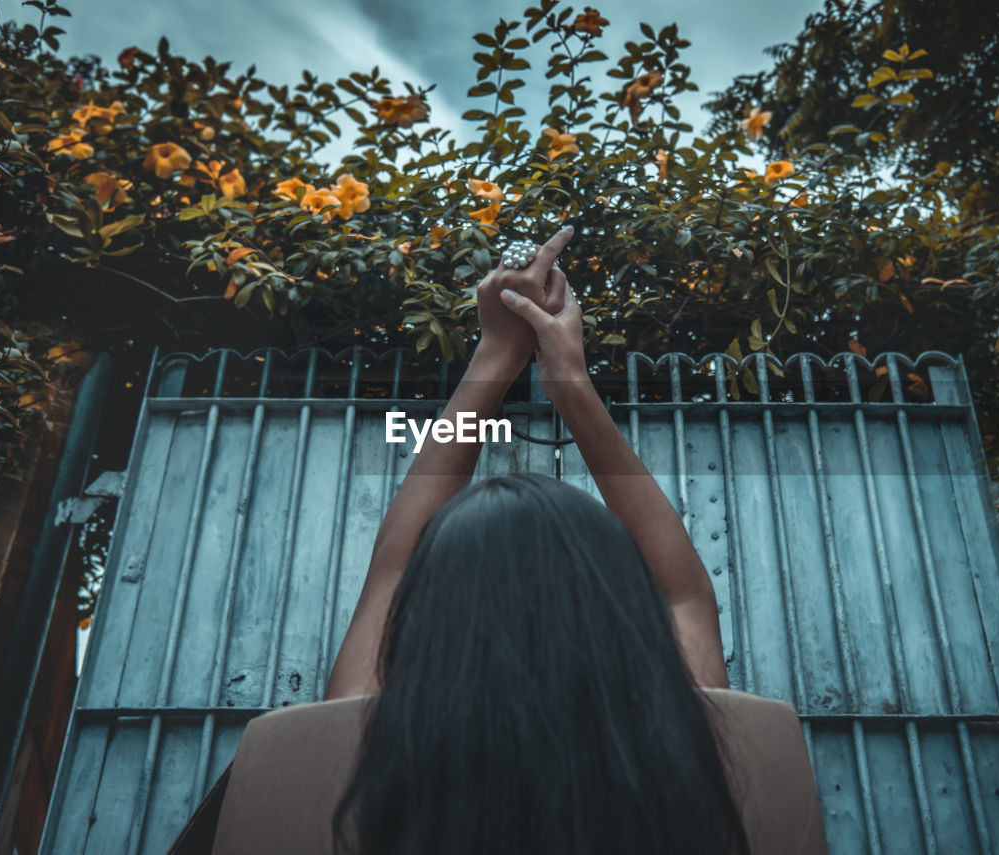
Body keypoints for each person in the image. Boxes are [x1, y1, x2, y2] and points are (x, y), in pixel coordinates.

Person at [168, 226, 828, 855]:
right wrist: (571, 386)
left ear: (424, 619)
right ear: (624, 610)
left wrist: (495, 355)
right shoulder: (724, 748)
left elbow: (396, 561)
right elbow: (683, 592)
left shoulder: (328, 750)